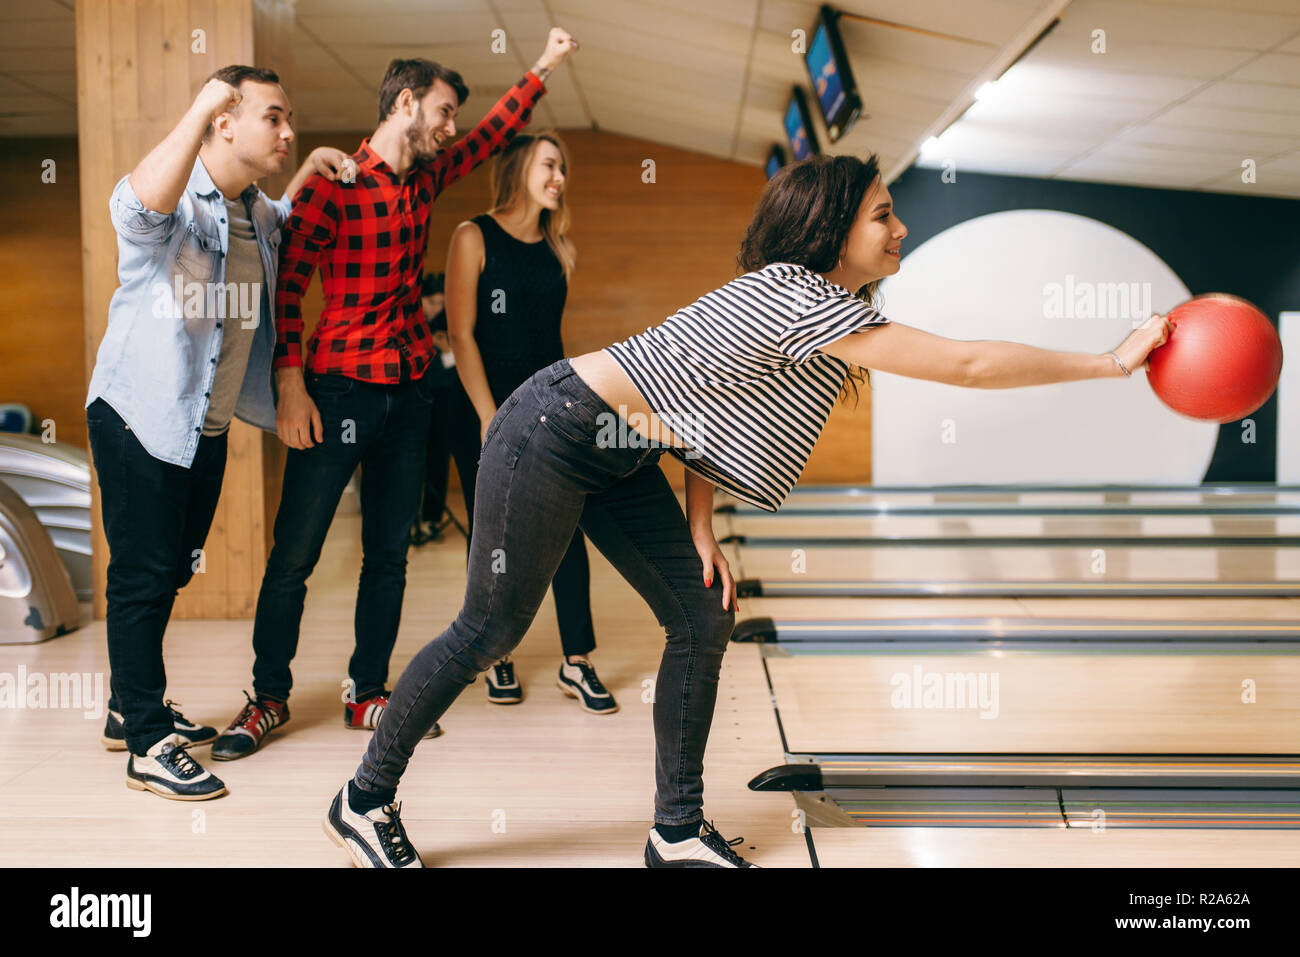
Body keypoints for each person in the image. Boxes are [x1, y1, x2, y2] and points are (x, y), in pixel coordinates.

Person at [322, 152, 1172, 867]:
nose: (899, 228)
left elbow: (704, 404)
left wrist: (701, 523)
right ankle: (363, 797)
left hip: (621, 445)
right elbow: (971, 366)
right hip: (553, 428)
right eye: (884, 214)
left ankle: (677, 827)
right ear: (834, 227)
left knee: (702, 608)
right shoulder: (802, 299)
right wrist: (1110, 361)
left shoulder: (807, 302)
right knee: (490, 631)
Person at [210, 29, 580, 762]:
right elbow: (289, 286)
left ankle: (367, 690)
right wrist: (290, 383)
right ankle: (268, 696)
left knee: (389, 554)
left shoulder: (425, 179)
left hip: (409, 391)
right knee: (295, 553)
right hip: (338, 390)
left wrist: (540, 68)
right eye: (442, 112)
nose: (450, 130)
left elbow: (493, 134)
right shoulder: (332, 182)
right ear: (405, 102)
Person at [86, 65, 351, 800]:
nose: (288, 129)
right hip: (139, 413)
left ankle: (123, 705)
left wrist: (307, 170)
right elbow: (135, 210)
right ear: (225, 121)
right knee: (142, 574)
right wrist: (200, 99)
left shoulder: (254, 211)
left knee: (169, 568)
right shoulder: (178, 202)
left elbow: (285, 225)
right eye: (275, 117)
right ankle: (146, 740)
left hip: (202, 427)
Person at [443, 131, 614, 712]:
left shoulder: (556, 242)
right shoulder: (474, 236)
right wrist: (491, 417)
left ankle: (578, 662)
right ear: (519, 168)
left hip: (551, 404)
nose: (559, 176)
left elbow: (548, 338)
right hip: (486, 405)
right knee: (495, 536)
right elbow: (462, 334)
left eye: (562, 167)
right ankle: (495, 655)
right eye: (549, 164)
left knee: (568, 527)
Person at [410, 272, 460, 546]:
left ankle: (431, 519)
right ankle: (408, 520)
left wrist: (445, 352)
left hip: (440, 400)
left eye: (441, 303)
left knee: (438, 458)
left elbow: (453, 371)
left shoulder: (445, 323)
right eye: (432, 302)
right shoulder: (408, 321)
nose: (436, 309)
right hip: (412, 399)